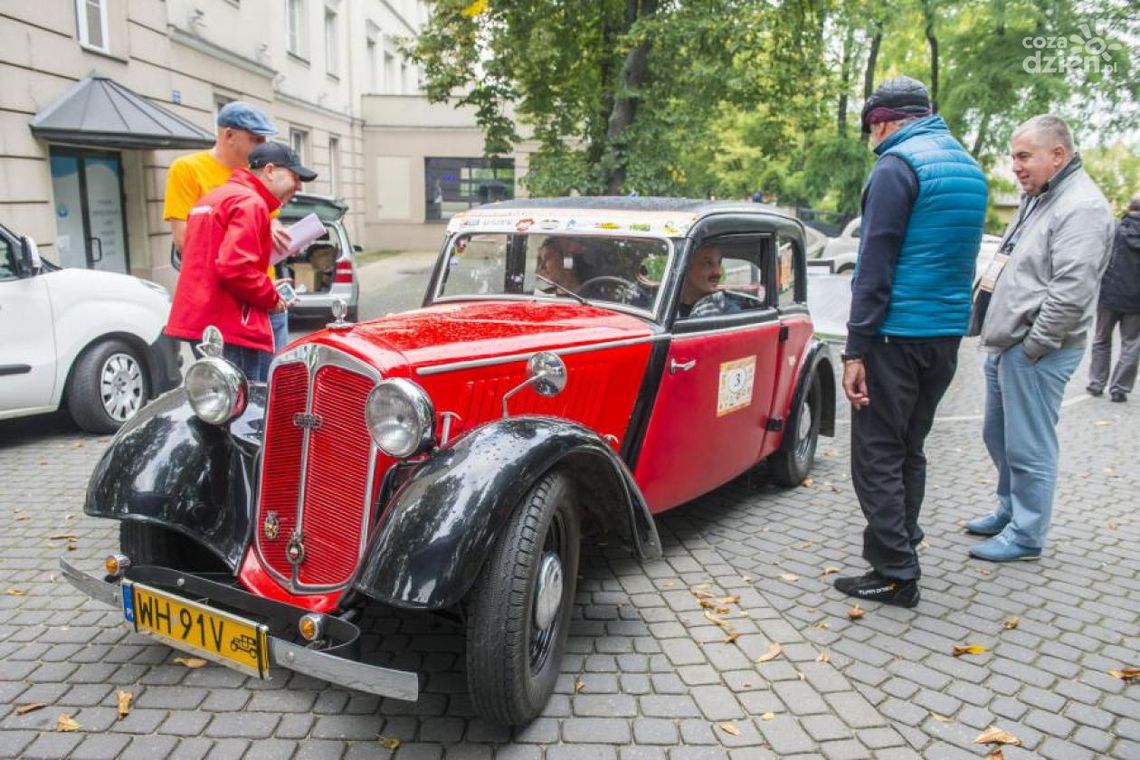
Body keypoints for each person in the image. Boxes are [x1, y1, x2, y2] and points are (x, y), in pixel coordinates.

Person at [833, 76, 987, 607]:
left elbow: (875, 264)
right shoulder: (969, 169)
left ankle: (895, 571)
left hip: (894, 336)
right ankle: (902, 541)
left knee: (876, 452)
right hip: (943, 337)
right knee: (909, 448)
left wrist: (855, 348)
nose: (872, 141)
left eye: (870, 130)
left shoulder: (897, 167)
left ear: (882, 123)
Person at [965, 115, 1115, 562]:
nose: (1015, 166)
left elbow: (1072, 289)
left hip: (1036, 350)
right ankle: (1010, 509)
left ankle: (1027, 535)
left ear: (1058, 155)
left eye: (1024, 156)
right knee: (999, 436)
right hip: (1010, 342)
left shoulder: (1082, 207)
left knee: (1029, 446)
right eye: (1014, 156)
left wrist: (1034, 345)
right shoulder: (1042, 196)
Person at [164, 143, 317, 381]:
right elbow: (234, 267)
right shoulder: (250, 203)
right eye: (294, 178)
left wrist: (264, 286)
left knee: (217, 396)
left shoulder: (213, 198)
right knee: (245, 398)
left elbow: (210, 262)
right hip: (231, 326)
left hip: (203, 321)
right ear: (269, 171)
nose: (298, 187)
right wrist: (270, 297)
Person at [163, 101, 293, 354]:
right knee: (234, 378)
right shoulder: (188, 169)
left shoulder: (255, 172)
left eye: (265, 139)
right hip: (223, 309)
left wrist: (273, 229)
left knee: (277, 373)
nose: (263, 145)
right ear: (229, 135)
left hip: (264, 294)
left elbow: (271, 218)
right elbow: (184, 240)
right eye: (256, 139)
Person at [1086, 192, 1140, 403]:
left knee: (1101, 339)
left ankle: (1096, 383)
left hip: (1108, 296)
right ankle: (1119, 388)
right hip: (1136, 302)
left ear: (1128, 208)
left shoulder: (1114, 229)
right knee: (1131, 344)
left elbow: (1098, 257)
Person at [679, 243, 739, 317]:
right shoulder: (668, 304)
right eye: (708, 263)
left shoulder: (726, 312)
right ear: (686, 267)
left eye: (719, 263)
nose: (718, 272)